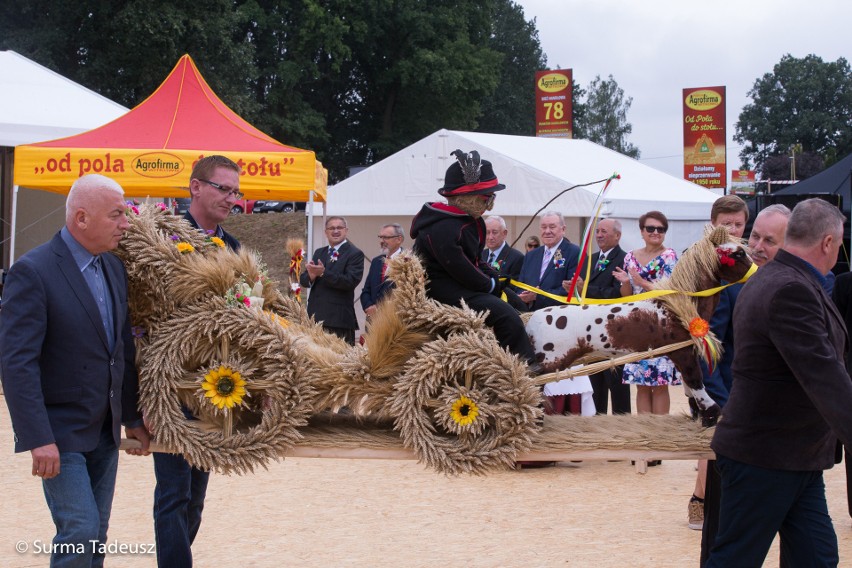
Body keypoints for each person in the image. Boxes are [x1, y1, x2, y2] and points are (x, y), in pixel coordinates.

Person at [0, 174, 150, 567]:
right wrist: (37, 438)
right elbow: (17, 363)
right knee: (80, 532)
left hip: (105, 428)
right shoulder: (32, 272)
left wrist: (132, 416)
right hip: (59, 433)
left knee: (95, 534)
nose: (126, 223)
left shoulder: (114, 269)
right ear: (81, 218)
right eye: (117, 214)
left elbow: (122, 349)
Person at [706, 198, 852, 567]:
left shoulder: (784, 279)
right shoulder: (790, 288)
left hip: (794, 454)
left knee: (816, 556)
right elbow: (824, 375)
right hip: (764, 456)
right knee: (736, 559)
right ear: (828, 243)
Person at [155, 155, 242, 568]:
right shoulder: (164, 237)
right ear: (195, 187)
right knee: (174, 492)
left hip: (214, 385)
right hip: (169, 382)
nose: (232, 198)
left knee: (196, 494)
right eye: (223, 188)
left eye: (235, 191)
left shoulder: (234, 247)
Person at [698, 202, 791, 562]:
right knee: (727, 526)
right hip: (736, 418)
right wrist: (725, 407)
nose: (754, 243)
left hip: (782, 429)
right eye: (755, 236)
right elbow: (711, 350)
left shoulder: (789, 280)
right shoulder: (725, 281)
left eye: (769, 239)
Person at [410, 149, 537, 368]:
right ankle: (522, 366)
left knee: (514, 301)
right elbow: (460, 268)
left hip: (462, 285)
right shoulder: (442, 227)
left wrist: (496, 280)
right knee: (504, 313)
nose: (491, 202)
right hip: (441, 289)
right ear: (466, 198)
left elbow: (477, 260)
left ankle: (533, 347)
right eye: (487, 197)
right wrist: (490, 285)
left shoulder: (471, 222)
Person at [688, 195, 749, 532]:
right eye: (727, 224)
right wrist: (714, 396)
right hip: (718, 380)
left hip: (743, 377)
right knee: (712, 446)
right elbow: (708, 343)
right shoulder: (708, 267)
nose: (734, 230)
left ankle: (710, 503)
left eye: (739, 224)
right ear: (713, 224)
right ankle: (702, 502)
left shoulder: (746, 263)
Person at [613, 211, 678, 466]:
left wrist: (641, 281)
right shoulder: (630, 256)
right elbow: (627, 294)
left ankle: (658, 444)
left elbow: (670, 289)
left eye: (660, 229)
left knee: (659, 383)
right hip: (636, 324)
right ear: (641, 230)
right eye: (650, 228)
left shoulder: (670, 256)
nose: (655, 233)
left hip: (661, 323)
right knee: (640, 384)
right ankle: (644, 441)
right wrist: (626, 282)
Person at [562, 218, 630, 415]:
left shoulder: (624, 259)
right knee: (595, 377)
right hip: (591, 328)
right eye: (597, 231)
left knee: (616, 380)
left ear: (617, 235)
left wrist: (586, 289)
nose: (599, 235)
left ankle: (622, 421)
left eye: (604, 231)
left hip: (614, 329)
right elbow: (581, 291)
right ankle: (597, 420)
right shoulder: (589, 259)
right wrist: (573, 288)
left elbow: (616, 294)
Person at [300, 216, 365, 345]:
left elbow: (350, 281)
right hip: (315, 317)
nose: (335, 231)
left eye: (339, 228)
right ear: (326, 232)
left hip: (338, 319)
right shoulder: (320, 252)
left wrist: (323, 272)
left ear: (346, 230)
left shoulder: (354, 253)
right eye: (331, 228)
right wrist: (311, 276)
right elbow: (304, 280)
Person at [517, 211, 580, 311]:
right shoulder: (531, 255)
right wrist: (523, 295)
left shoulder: (574, 253)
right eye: (543, 227)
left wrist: (538, 296)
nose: (547, 231)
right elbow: (520, 284)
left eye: (552, 227)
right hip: (529, 315)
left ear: (563, 229)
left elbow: (571, 290)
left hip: (558, 316)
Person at [361, 223, 405, 320]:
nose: (381, 241)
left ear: (399, 239)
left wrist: (380, 309)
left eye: (385, 237)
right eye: (380, 237)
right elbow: (366, 290)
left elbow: (408, 294)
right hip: (373, 321)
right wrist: (369, 307)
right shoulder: (376, 261)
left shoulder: (408, 261)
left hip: (396, 321)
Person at [481, 215, 525, 281]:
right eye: (487, 233)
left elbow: (515, 287)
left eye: (494, 232)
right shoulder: (480, 255)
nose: (490, 237)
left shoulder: (517, 258)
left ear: (504, 233)